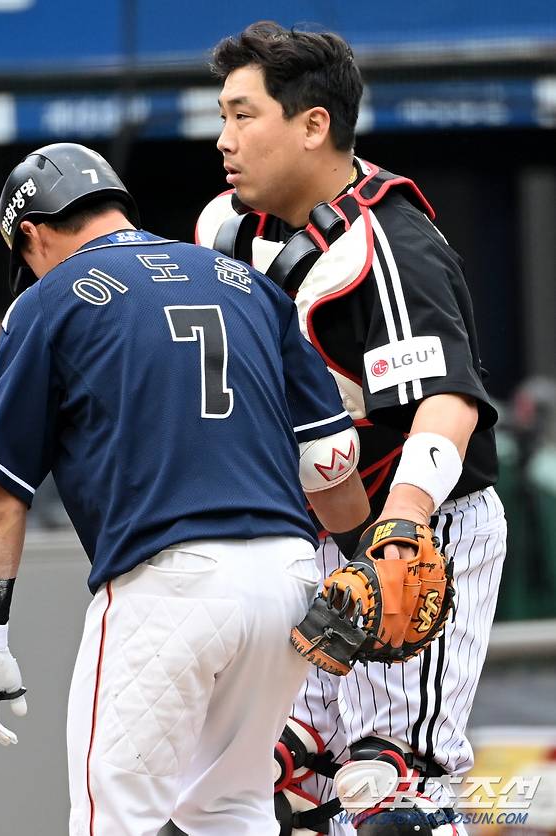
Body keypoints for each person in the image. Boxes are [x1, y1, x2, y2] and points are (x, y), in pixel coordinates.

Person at [0, 142, 371, 836]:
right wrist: (362, 563)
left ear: (31, 232)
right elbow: (328, 461)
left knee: (114, 821)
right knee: (233, 811)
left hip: (173, 585)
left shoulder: (47, 301)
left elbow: (1, 493)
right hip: (291, 582)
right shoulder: (247, 283)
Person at [196, 21, 507, 835]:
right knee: (263, 779)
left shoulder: (388, 240)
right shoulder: (225, 233)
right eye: (222, 116)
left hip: (412, 534)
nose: (223, 139)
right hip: (302, 538)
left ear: (312, 124)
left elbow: (450, 398)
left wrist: (401, 525)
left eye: (241, 115)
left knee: (385, 791)